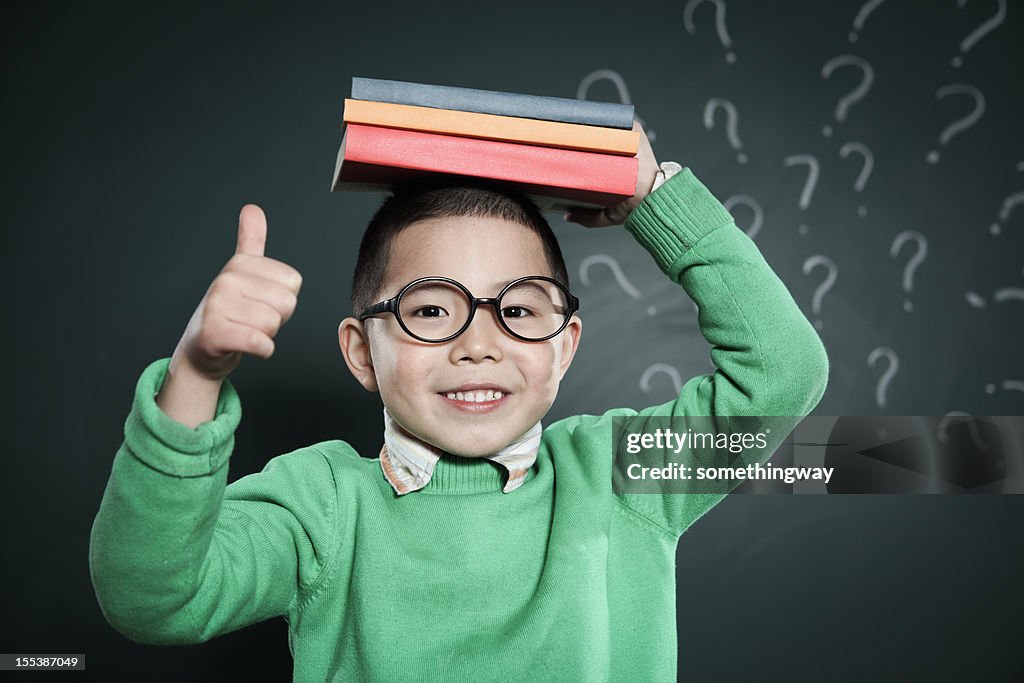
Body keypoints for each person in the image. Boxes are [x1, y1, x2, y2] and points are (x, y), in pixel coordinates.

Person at [89, 120, 829, 681]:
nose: (479, 343)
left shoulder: (620, 473)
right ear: (361, 353)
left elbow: (782, 373)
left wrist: (654, 196)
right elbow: (153, 598)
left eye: (519, 308)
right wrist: (196, 371)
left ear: (565, 345)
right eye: (432, 309)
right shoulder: (320, 503)